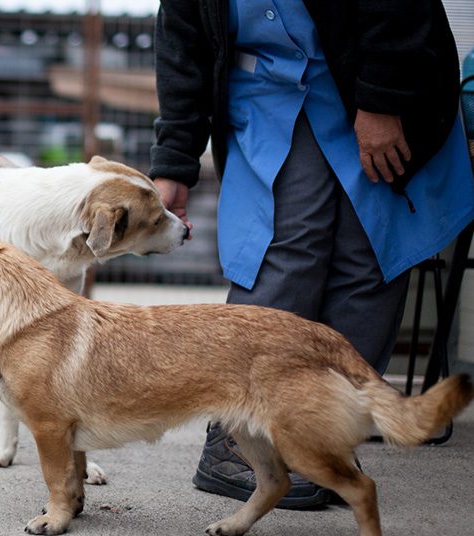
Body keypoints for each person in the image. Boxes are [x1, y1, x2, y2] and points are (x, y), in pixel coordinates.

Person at [150, 0, 474, 508]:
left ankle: (324, 437)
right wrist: (173, 160)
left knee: (370, 251)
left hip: (374, 73)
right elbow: (183, 42)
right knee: (285, 245)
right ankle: (239, 443)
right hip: (267, 92)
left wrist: (384, 100)